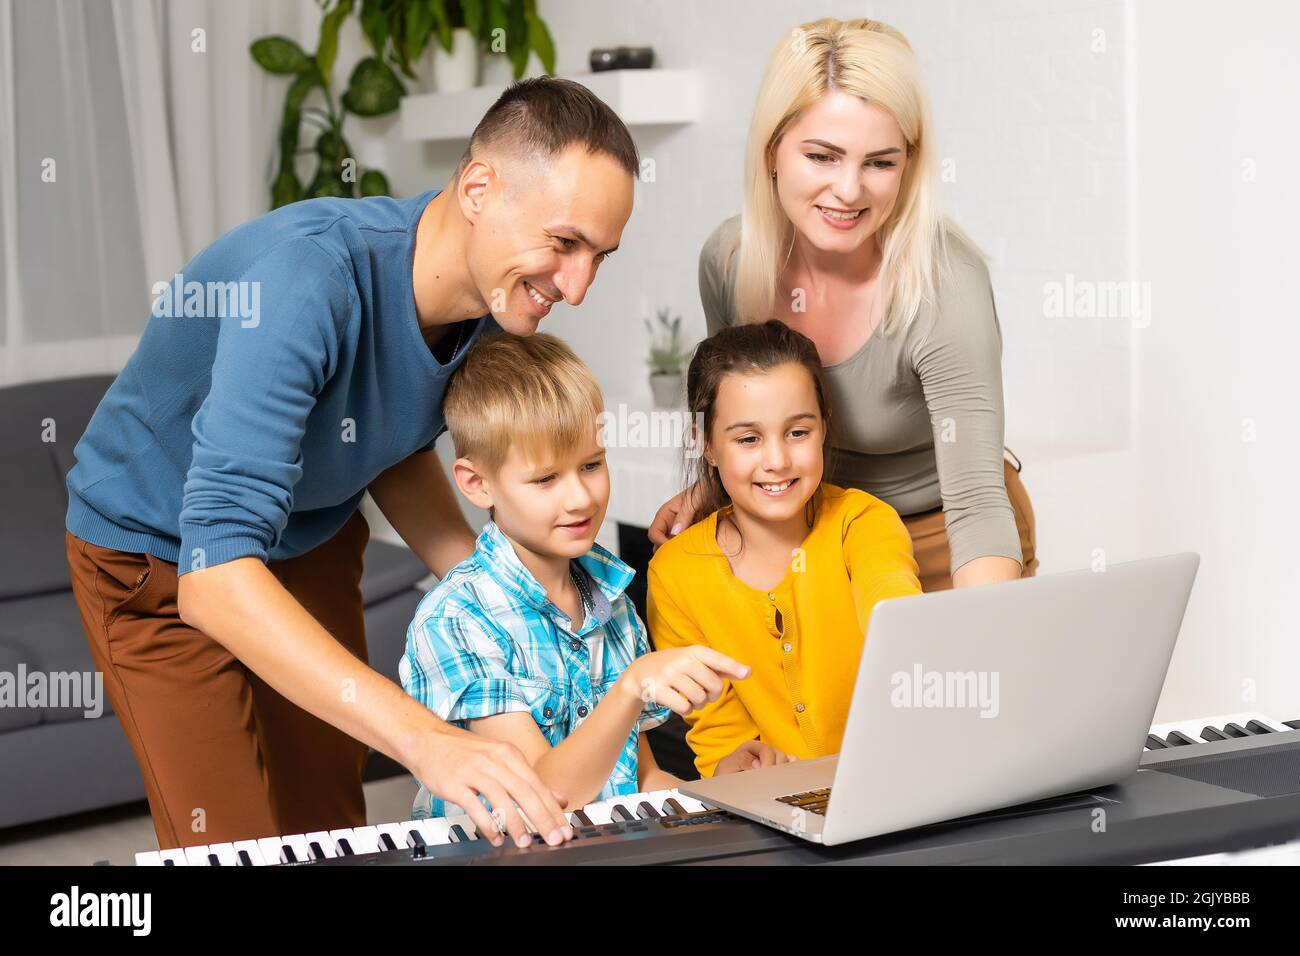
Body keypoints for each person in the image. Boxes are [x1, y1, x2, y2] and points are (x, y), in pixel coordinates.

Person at [63, 77, 637, 850]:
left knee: (330, 831)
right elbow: (216, 576)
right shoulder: (305, 284)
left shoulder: (497, 312)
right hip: (161, 561)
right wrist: (426, 739)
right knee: (232, 844)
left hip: (307, 535)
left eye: (601, 256)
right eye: (563, 243)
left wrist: (500, 602)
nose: (577, 286)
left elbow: (384, 442)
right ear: (477, 187)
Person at [650, 17, 1037, 594]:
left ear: (908, 166)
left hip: (933, 538)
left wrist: (979, 647)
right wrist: (711, 490)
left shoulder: (945, 285)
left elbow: (978, 505)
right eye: (823, 156)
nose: (849, 190)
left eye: (880, 163)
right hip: (807, 531)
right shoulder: (730, 260)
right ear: (772, 149)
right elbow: (737, 411)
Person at [401, 333, 749, 817]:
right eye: (546, 479)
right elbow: (542, 797)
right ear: (477, 484)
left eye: (591, 465)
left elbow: (641, 778)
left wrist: (725, 795)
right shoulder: (457, 620)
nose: (580, 498)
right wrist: (631, 687)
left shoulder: (615, 605)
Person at [648, 321, 922, 777]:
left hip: (893, 780)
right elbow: (719, 739)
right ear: (707, 446)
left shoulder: (863, 524)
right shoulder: (675, 573)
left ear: (824, 428)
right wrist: (738, 764)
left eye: (797, 432)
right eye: (748, 439)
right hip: (773, 810)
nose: (776, 460)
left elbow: (899, 623)